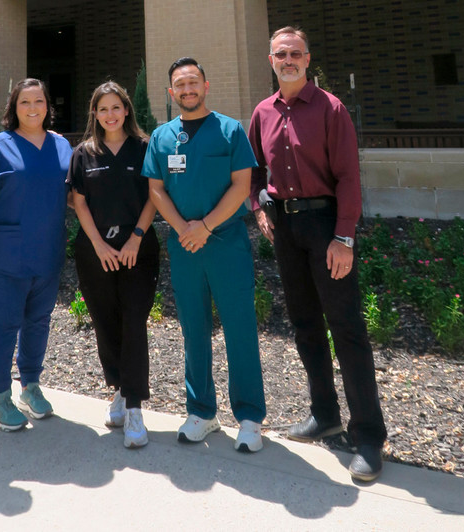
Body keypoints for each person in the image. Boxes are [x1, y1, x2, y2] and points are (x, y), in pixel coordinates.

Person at [248, 26, 387, 481]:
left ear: (307, 59)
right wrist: (258, 208)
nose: (287, 60)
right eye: (280, 54)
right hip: (286, 229)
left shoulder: (331, 108)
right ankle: (324, 414)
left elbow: (348, 176)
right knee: (305, 325)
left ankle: (368, 435)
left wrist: (344, 237)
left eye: (295, 53)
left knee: (346, 328)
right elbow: (254, 169)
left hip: (326, 227)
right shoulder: (263, 112)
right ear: (271, 60)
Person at [143, 57, 266, 452]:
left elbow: (241, 185)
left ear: (206, 86)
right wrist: (184, 229)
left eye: (193, 82)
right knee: (193, 329)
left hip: (226, 243)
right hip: (185, 247)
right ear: (171, 92)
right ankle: (201, 412)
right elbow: (156, 189)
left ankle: (249, 417)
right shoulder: (162, 137)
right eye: (180, 84)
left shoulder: (230, 131)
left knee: (239, 327)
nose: (187, 89)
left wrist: (206, 227)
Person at [0, 78, 73, 432]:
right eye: (24, 102)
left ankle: (30, 386)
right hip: (5, 257)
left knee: (38, 321)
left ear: (47, 106)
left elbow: (72, 195)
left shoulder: (61, 145)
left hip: (47, 254)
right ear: (14, 107)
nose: (32, 108)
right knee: (2, 324)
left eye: (39, 101)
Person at [68, 81, 159, 449]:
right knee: (105, 322)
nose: (110, 114)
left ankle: (135, 407)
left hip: (138, 249)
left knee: (134, 321)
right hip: (96, 251)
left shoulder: (145, 147)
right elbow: (78, 201)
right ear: (95, 113)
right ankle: (120, 389)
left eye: (116, 107)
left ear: (126, 110)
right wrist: (99, 245)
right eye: (103, 108)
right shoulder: (84, 152)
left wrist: (136, 237)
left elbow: (154, 195)